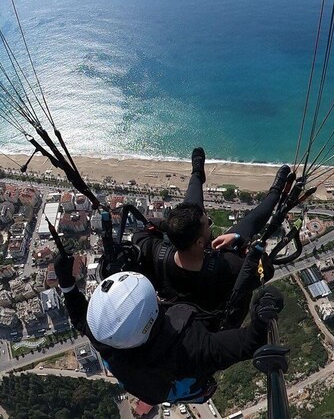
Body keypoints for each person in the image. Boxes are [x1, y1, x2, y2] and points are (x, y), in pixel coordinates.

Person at [55, 253, 284, 404]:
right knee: (224, 317)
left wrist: (66, 284)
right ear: (152, 317)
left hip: (149, 382)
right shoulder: (190, 349)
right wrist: (265, 303)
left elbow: (80, 318)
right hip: (185, 383)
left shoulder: (107, 336)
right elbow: (251, 341)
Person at [133, 147, 290, 321]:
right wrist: (239, 238)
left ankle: (197, 173)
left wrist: (174, 227)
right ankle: (276, 191)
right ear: (201, 242)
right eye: (207, 223)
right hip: (215, 316)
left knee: (191, 209)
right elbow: (265, 271)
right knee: (250, 223)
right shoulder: (230, 266)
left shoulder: (155, 252)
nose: (209, 222)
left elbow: (141, 231)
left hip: (186, 262)